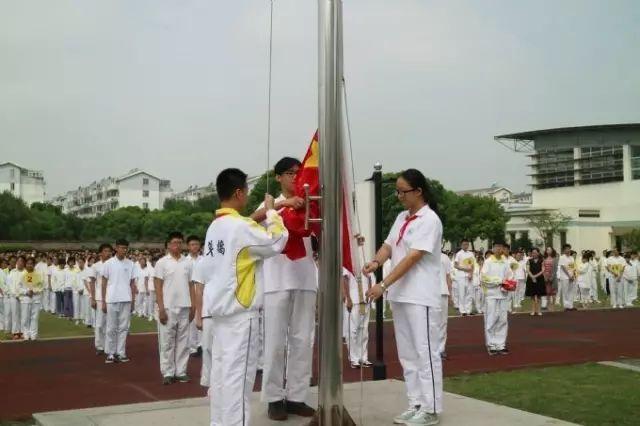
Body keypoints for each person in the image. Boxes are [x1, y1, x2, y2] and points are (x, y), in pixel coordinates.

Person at [193, 168, 288, 426]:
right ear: (238, 193)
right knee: (238, 381)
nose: (247, 195)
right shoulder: (240, 226)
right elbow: (276, 241)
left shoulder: (215, 227)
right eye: (246, 191)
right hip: (240, 315)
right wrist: (272, 213)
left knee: (222, 378)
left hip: (220, 315)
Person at [364, 169, 443, 426]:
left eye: (403, 191)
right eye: (396, 191)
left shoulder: (429, 220)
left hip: (420, 295)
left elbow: (412, 257)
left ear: (418, 191)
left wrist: (383, 284)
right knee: (408, 353)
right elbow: (389, 245)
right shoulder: (402, 217)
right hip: (401, 294)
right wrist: (376, 262)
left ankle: (431, 408)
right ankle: (416, 402)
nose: (399, 196)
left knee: (425, 351)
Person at [252, 157, 316, 421]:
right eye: (289, 173)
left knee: (303, 340)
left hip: (305, 278)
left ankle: (297, 396)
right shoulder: (270, 204)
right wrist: (281, 204)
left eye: (298, 173)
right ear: (278, 177)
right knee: (275, 342)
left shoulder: (311, 203)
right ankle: (274, 398)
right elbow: (250, 221)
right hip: (277, 280)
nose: (294, 177)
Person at [154, 232, 195, 384]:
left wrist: (194, 306)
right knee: (167, 341)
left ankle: (181, 371)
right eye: (174, 242)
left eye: (179, 242)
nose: (177, 245)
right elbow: (158, 286)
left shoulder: (187, 263)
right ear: (168, 245)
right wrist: (161, 308)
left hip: (185, 305)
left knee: (184, 341)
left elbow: (191, 285)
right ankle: (167, 372)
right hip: (168, 307)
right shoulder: (162, 263)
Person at [101, 239, 136, 363]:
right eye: (121, 247)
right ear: (116, 248)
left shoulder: (131, 264)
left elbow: (132, 283)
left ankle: (121, 352)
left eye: (125, 248)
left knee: (123, 327)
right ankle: (110, 353)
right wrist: (104, 301)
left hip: (126, 298)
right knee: (111, 327)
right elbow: (104, 283)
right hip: (111, 299)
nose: (123, 250)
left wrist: (133, 301)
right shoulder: (108, 263)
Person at [481, 242, 512, 355]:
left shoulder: (505, 261)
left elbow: (510, 275)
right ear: (493, 249)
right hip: (492, 294)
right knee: (491, 319)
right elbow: (484, 278)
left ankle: (501, 344)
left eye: (501, 247)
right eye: (497, 247)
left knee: (502, 319)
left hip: (503, 294)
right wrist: (499, 281)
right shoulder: (488, 262)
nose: (499, 249)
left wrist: (507, 284)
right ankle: (491, 344)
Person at [342, 266, 373, 369]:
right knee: (352, 331)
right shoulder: (349, 260)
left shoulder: (364, 258)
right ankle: (354, 358)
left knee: (364, 331)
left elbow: (369, 278)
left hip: (365, 300)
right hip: (354, 299)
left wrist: (370, 294)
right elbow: (345, 279)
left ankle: (363, 357)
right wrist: (348, 298)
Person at [90, 244, 112, 355]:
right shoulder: (95, 266)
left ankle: (109, 346)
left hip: (112, 297)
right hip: (99, 298)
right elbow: (92, 282)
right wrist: (92, 298)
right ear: (100, 253)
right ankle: (99, 346)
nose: (108, 253)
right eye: (105, 251)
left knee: (111, 324)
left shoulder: (114, 265)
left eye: (109, 251)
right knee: (99, 324)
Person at [185, 235, 203, 358]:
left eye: (196, 244)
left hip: (202, 292)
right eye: (192, 244)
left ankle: (201, 345)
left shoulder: (204, 260)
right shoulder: (185, 261)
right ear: (188, 246)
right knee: (191, 321)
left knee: (202, 317)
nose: (194, 246)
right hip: (190, 293)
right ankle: (192, 347)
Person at [19, 257, 44, 340]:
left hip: (35, 299)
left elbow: (41, 286)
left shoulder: (38, 275)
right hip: (25, 299)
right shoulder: (22, 274)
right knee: (25, 317)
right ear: (25, 264)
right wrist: (26, 292)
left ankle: (33, 335)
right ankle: (26, 334)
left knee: (34, 317)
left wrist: (33, 291)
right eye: (28, 263)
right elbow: (18, 288)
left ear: (34, 265)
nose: (29, 265)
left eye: (31, 264)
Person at [453, 239, 474, 316]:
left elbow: (472, 265)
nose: (466, 246)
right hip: (461, 275)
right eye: (464, 244)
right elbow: (455, 265)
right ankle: (463, 310)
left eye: (467, 244)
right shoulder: (459, 254)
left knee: (469, 293)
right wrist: (464, 269)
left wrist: (471, 273)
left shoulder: (471, 254)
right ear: (461, 245)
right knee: (462, 292)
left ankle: (469, 310)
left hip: (469, 276)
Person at [7, 256, 27, 339]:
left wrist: (23, 294)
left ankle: (22, 331)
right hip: (14, 296)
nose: (20, 263)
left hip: (24, 297)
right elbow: (10, 285)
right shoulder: (12, 272)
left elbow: (27, 285)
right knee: (15, 314)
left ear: (24, 263)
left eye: (21, 261)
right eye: (18, 261)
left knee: (23, 315)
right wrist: (16, 295)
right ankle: (15, 332)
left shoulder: (26, 272)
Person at [438, 250, 453, 360]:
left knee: (442, 322)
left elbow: (448, 276)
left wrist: (450, 293)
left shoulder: (445, 257)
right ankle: (430, 349)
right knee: (430, 322)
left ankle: (441, 349)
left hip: (442, 292)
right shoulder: (424, 255)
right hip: (428, 293)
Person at [525, 248, 545, 316]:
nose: (534, 254)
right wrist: (532, 277)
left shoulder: (542, 260)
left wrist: (535, 276)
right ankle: (533, 310)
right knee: (533, 296)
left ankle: (539, 310)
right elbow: (527, 270)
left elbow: (543, 270)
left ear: (538, 253)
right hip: (531, 279)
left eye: (536, 252)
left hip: (539, 279)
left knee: (539, 296)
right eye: (533, 252)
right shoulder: (529, 261)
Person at [558, 244, 577, 311]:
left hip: (571, 276)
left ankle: (570, 306)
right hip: (565, 277)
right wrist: (569, 276)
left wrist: (573, 275)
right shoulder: (562, 257)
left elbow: (573, 267)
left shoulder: (571, 257)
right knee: (565, 291)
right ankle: (566, 306)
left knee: (571, 291)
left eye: (569, 248)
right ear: (564, 250)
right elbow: (563, 267)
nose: (568, 250)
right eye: (566, 249)